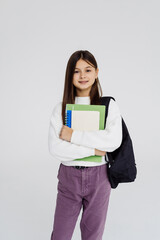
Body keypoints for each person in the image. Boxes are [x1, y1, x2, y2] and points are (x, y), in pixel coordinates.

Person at [48, 50, 123, 240]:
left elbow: (113, 141)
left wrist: (72, 135)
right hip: (69, 177)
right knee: (60, 235)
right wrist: (94, 149)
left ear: (96, 72)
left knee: (93, 235)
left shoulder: (108, 106)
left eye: (88, 70)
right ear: (69, 75)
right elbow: (56, 148)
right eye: (76, 71)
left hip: (99, 178)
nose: (82, 76)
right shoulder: (61, 109)